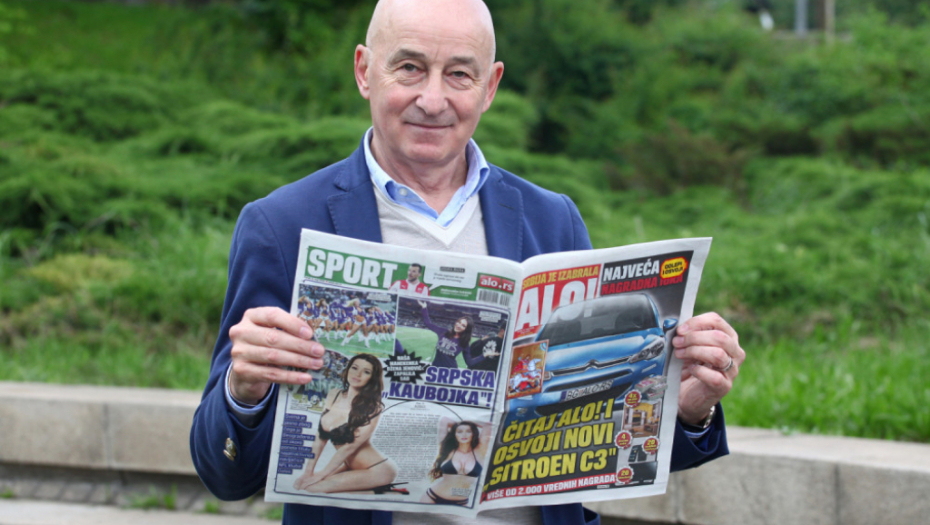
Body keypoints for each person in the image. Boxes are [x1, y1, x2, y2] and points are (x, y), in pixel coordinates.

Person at [190, 1, 746, 524]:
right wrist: (245, 389)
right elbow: (224, 472)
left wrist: (687, 408)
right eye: (409, 68)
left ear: (490, 87)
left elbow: (606, 445)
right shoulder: (282, 225)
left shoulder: (552, 220)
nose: (433, 100)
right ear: (364, 71)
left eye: (459, 74)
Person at [292, 354, 397, 493]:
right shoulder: (334, 394)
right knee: (300, 485)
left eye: (366, 372)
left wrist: (321, 474)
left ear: (372, 378)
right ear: (347, 370)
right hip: (349, 466)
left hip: (378, 468)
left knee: (313, 488)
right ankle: (373, 489)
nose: (358, 374)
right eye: (354, 368)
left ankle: (377, 490)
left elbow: (349, 447)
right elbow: (320, 438)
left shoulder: (373, 407)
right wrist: (308, 473)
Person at [421, 420, 491, 505]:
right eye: (459, 432)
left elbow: (488, 425)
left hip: (461, 502)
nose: (464, 435)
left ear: (473, 433)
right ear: (455, 434)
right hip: (432, 497)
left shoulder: (480, 451)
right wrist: (459, 424)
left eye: (468, 431)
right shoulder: (449, 449)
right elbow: (444, 420)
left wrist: (469, 423)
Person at [416, 300, 478, 368]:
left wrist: (484, 355)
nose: (459, 325)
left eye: (463, 325)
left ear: (466, 330)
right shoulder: (444, 332)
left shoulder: (464, 343)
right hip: (435, 368)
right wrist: (424, 307)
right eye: (459, 322)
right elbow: (428, 323)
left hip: (449, 371)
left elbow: (469, 362)